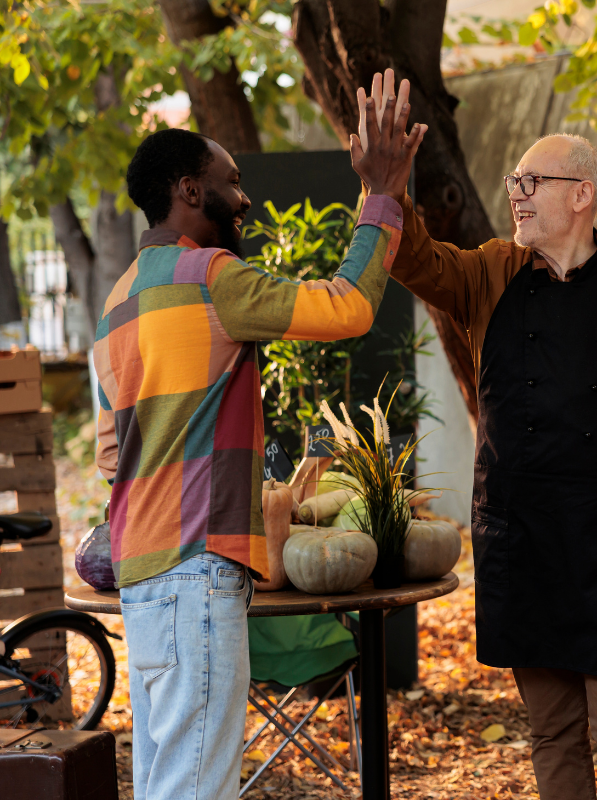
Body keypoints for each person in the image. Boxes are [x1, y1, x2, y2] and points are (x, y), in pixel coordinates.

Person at [360, 70, 597, 799]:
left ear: (582, 195)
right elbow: (412, 258)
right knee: (552, 732)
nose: (515, 194)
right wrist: (386, 190)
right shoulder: (491, 272)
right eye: (513, 181)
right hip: (520, 537)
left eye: (532, 180)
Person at [94, 81, 426, 800]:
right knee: (198, 788)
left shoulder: (116, 301)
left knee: (165, 781)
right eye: (231, 183)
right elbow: (349, 307)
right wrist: (380, 194)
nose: (244, 200)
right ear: (189, 191)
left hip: (141, 575)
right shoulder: (213, 278)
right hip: (197, 566)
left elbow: (107, 459)